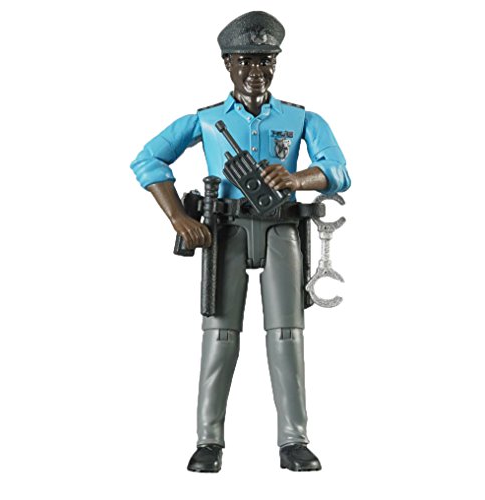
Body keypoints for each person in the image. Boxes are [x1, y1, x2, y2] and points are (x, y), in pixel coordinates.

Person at [131, 11, 350, 472]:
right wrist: (177, 217)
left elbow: (338, 171)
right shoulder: (207, 121)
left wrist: (297, 178)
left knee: (287, 334)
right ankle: (208, 441)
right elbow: (148, 160)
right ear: (228, 64)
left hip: (281, 230)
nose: (256, 71)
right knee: (220, 334)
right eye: (245, 61)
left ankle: (293, 440)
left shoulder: (300, 118)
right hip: (225, 232)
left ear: (276, 63)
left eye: (265, 60)